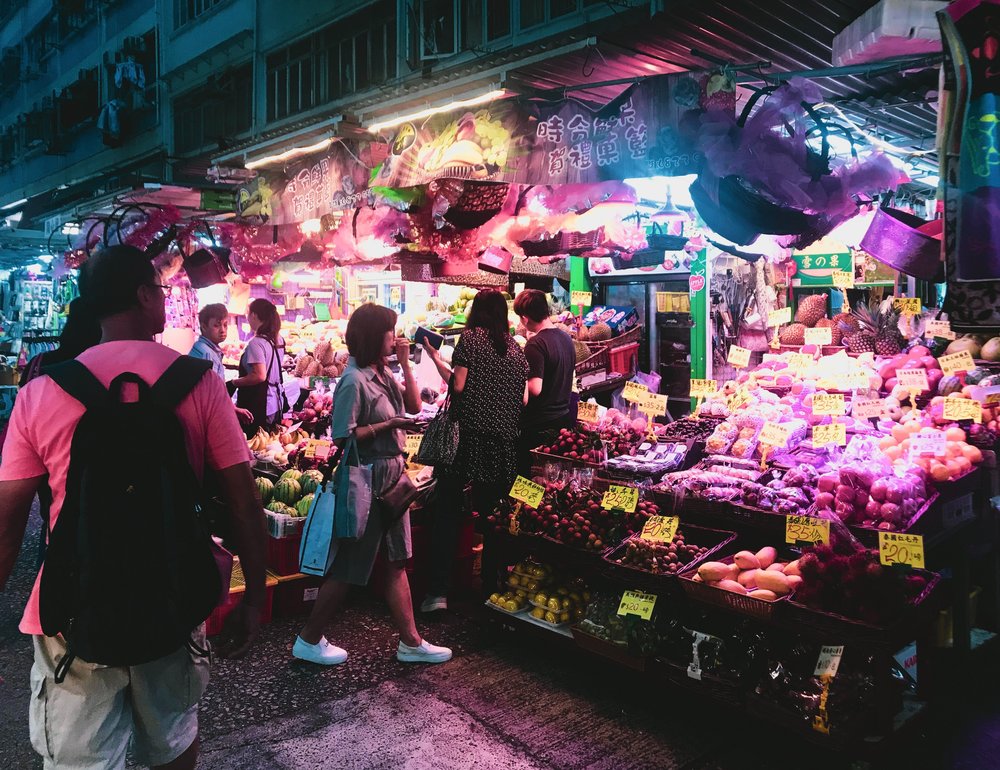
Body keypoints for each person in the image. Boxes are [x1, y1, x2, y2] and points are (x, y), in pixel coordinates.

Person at [0, 245, 267, 770]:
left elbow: (6, 530)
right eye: (162, 291)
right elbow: (244, 502)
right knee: (171, 746)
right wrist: (253, 597)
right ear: (144, 296)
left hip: (73, 607)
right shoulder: (200, 383)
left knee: (81, 760)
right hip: (173, 592)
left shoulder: (40, 392)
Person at [293, 303, 452, 666]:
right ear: (372, 335)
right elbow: (341, 436)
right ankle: (308, 639)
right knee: (351, 564)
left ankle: (411, 642)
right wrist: (389, 426)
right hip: (368, 479)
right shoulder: (353, 380)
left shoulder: (380, 371)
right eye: (388, 331)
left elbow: (412, 406)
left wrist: (406, 363)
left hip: (393, 477)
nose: (393, 337)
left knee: (397, 559)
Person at [420, 290, 528, 613]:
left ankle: (437, 592)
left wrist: (434, 357)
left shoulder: (470, 340)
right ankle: (492, 589)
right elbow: (523, 400)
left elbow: (459, 386)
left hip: (467, 443)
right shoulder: (516, 350)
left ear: (476, 313)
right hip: (503, 446)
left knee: (448, 514)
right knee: (494, 518)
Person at [513, 289, 577, 473]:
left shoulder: (536, 344)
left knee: (531, 479)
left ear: (525, 318)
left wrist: (514, 376)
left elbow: (534, 388)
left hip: (539, 426)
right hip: (562, 420)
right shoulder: (566, 338)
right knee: (554, 479)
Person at [189, 303, 254, 425]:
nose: (223, 330)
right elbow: (209, 394)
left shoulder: (205, 349)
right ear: (203, 326)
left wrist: (232, 408)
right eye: (216, 326)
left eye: (225, 325)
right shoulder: (206, 354)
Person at [229, 298, 287, 434]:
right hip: (276, 402)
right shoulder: (279, 339)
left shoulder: (257, 343)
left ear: (253, 315)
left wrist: (233, 383)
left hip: (260, 405)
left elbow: (259, 375)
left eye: (248, 315)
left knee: (256, 446)